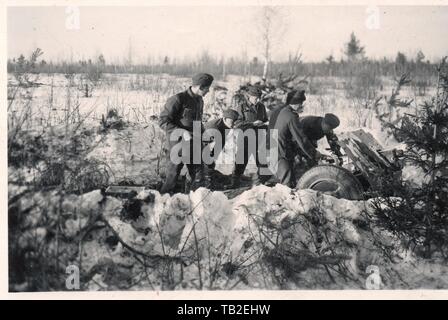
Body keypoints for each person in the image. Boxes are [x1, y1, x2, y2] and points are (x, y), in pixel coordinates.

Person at [158, 73, 214, 194]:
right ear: (200, 87)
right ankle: (163, 203)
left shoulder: (199, 101)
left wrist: (204, 133)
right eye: (207, 88)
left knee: (198, 176)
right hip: (177, 146)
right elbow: (163, 121)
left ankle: (194, 201)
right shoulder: (178, 99)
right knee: (172, 179)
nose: (208, 91)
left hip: (194, 145)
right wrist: (182, 131)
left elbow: (197, 122)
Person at [270, 90, 320, 188]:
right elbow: (301, 138)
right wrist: (314, 153)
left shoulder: (283, 111)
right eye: (301, 104)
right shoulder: (291, 116)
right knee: (287, 184)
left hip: (275, 148)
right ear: (295, 103)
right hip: (279, 152)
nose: (302, 106)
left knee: (289, 180)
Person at [231, 85, 269, 183]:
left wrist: (265, 124)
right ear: (249, 97)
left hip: (258, 137)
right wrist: (252, 124)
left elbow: (264, 120)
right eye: (256, 98)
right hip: (245, 137)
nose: (258, 100)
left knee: (261, 160)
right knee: (241, 160)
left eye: (259, 98)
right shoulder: (242, 107)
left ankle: (263, 181)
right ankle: (235, 181)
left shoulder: (261, 107)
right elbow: (237, 123)